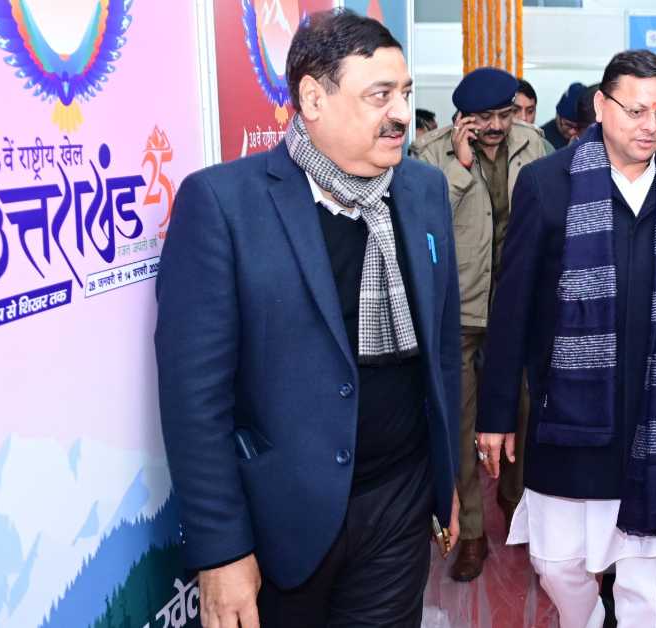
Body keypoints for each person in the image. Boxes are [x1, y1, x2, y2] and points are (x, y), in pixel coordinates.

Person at [155, 10, 461, 626]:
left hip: (399, 501)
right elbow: (195, 399)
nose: (401, 114)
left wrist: (445, 475)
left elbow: (442, 347)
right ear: (314, 98)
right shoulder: (224, 204)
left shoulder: (423, 191)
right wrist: (222, 550)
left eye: (405, 93)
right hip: (282, 521)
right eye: (379, 95)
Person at [477, 49, 656, 627]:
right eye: (636, 110)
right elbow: (512, 306)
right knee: (556, 563)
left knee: (648, 581)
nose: (651, 126)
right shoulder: (547, 183)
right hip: (572, 416)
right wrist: (495, 414)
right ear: (601, 106)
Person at [412, 66, 550, 582]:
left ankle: (516, 505)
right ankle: (470, 530)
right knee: (461, 422)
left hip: (519, 304)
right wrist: (461, 168)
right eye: (484, 118)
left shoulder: (534, 145)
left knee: (523, 411)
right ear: (463, 118)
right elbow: (422, 222)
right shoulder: (430, 153)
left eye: (505, 115)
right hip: (460, 307)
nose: (496, 126)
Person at [542, 82, 587, 149]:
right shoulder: (542, 139)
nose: (572, 132)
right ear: (557, 116)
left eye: (579, 127)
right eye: (568, 125)